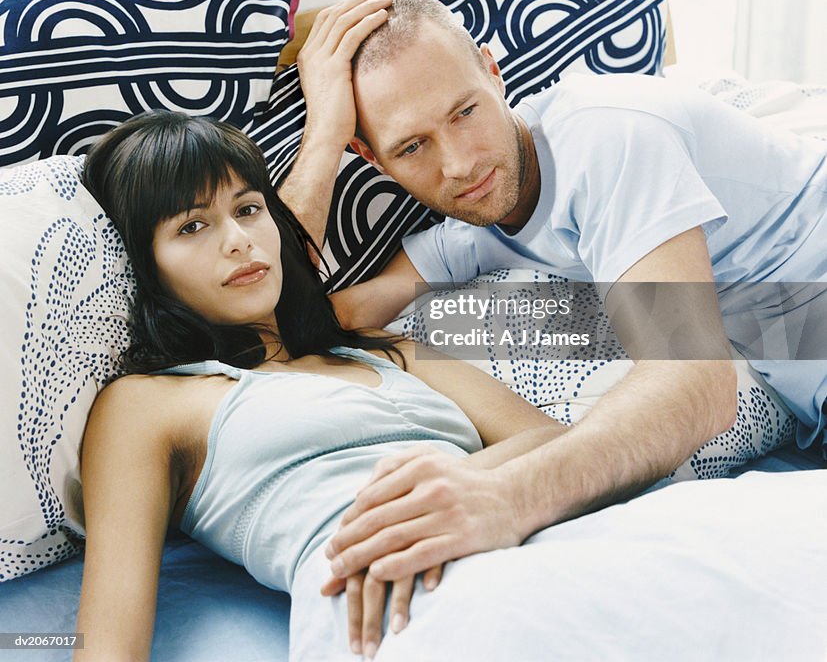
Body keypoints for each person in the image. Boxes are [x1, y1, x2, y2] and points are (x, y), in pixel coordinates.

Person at [277, 0, 827, 593]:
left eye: (464, 111)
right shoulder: (477, 223)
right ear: (371, 158)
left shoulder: (607, 137)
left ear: (494, 71)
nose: (459, 163)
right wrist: (322, 140)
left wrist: (506, 496)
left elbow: (695, 381)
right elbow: (292, 315)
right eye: (413, 146)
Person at [74, 109, 582, 661]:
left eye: (248, 209)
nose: (240, 241)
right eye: (192, 226)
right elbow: (106, 644)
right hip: (413, 603)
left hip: (537, 539)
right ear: (146, 265)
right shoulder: (146, 404)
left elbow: (568, 450)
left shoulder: (383, 346)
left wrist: (457, 484)